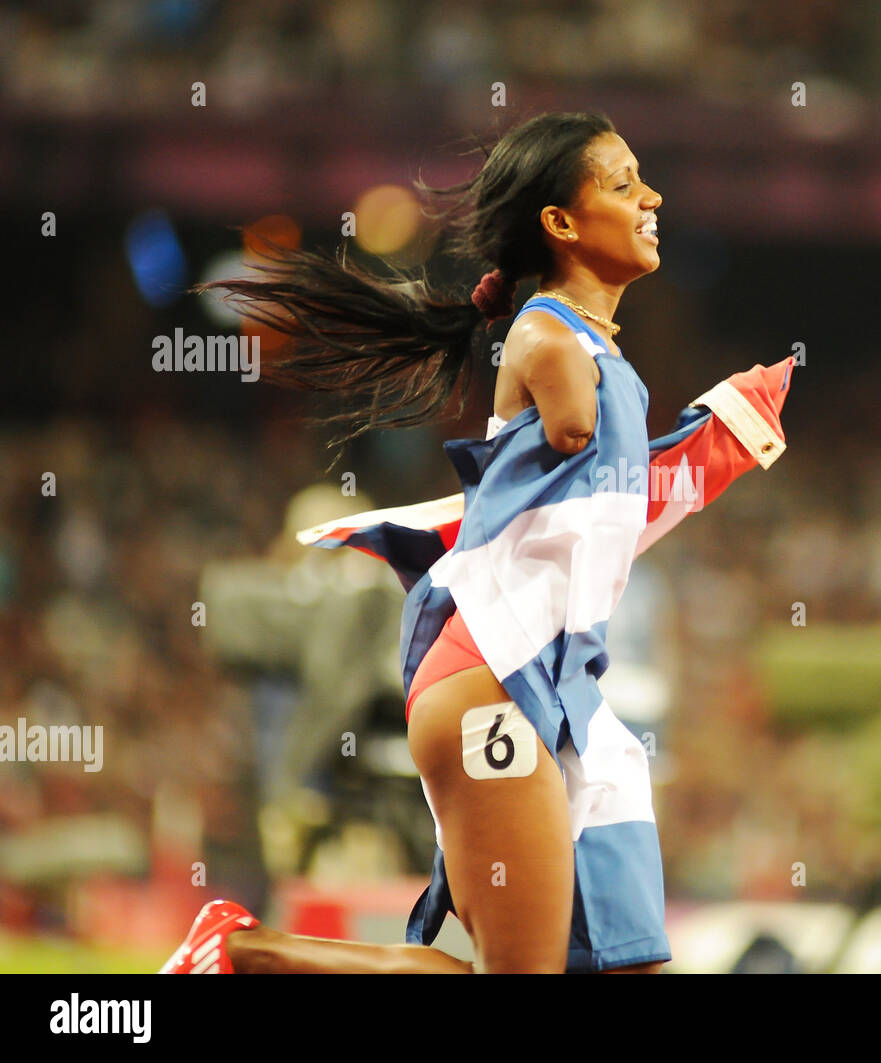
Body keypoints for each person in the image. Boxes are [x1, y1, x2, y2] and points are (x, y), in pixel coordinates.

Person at [162, 111, 795, 974]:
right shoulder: (545, 331)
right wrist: (613, 412)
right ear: (561, 223)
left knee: (627, 963)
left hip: (563, 695)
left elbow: (612, 501)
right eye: (621, 182)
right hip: (493, 675)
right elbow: (571, 423)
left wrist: (721, 440)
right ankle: (238, 953)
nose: (651, 197)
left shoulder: (601, 351)